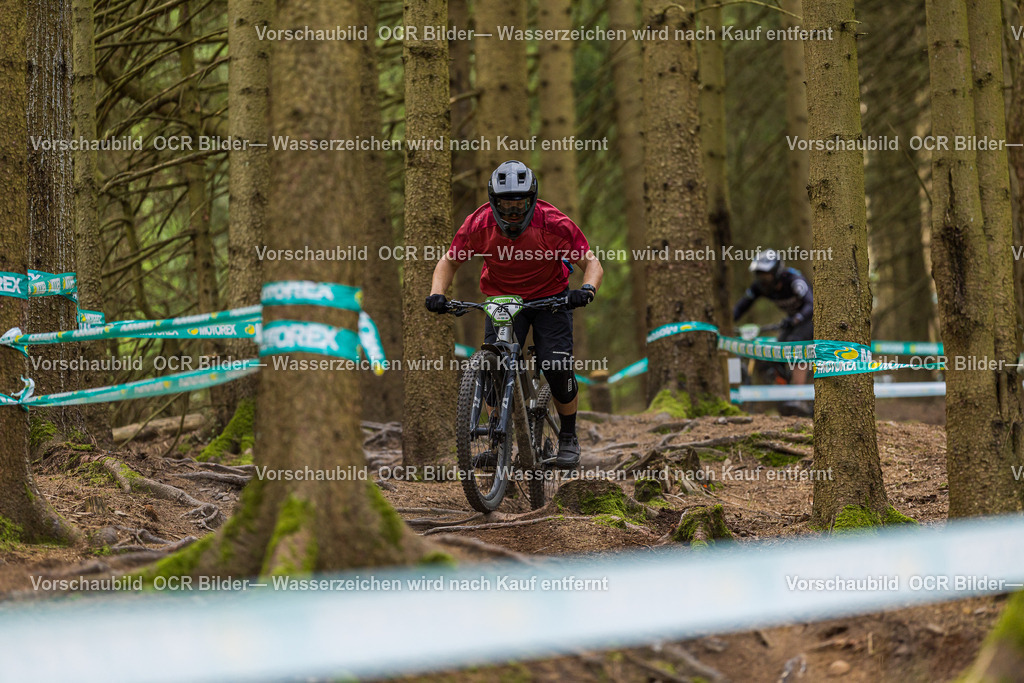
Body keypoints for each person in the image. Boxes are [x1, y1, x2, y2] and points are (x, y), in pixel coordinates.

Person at [425, 160, 603, 469]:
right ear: (493, 202)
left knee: (556, 365)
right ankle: (496, 443)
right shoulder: (478, 224)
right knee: (494, 364)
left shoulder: (553, 223)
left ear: (532, 200)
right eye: (506, 204)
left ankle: (569, 437)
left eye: (520, 203)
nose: (513, 211)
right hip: (502, 298)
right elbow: (449, 261)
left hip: (551, 298)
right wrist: (437, 294)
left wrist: (586, 289)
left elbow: (592, 262)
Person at [733, 250, 813, 415]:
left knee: (796, 345)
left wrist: (797, 318)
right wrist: (726, 323)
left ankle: (798, 395)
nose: (763, 280)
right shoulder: (760, 287)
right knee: (775, 354)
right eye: (759, 275)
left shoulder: (794, 280)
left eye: (766, 275)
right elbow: (741, 306)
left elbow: (811, 304)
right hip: (792, 321)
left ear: (776, 272)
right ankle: (784, 395)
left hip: (812, 318)